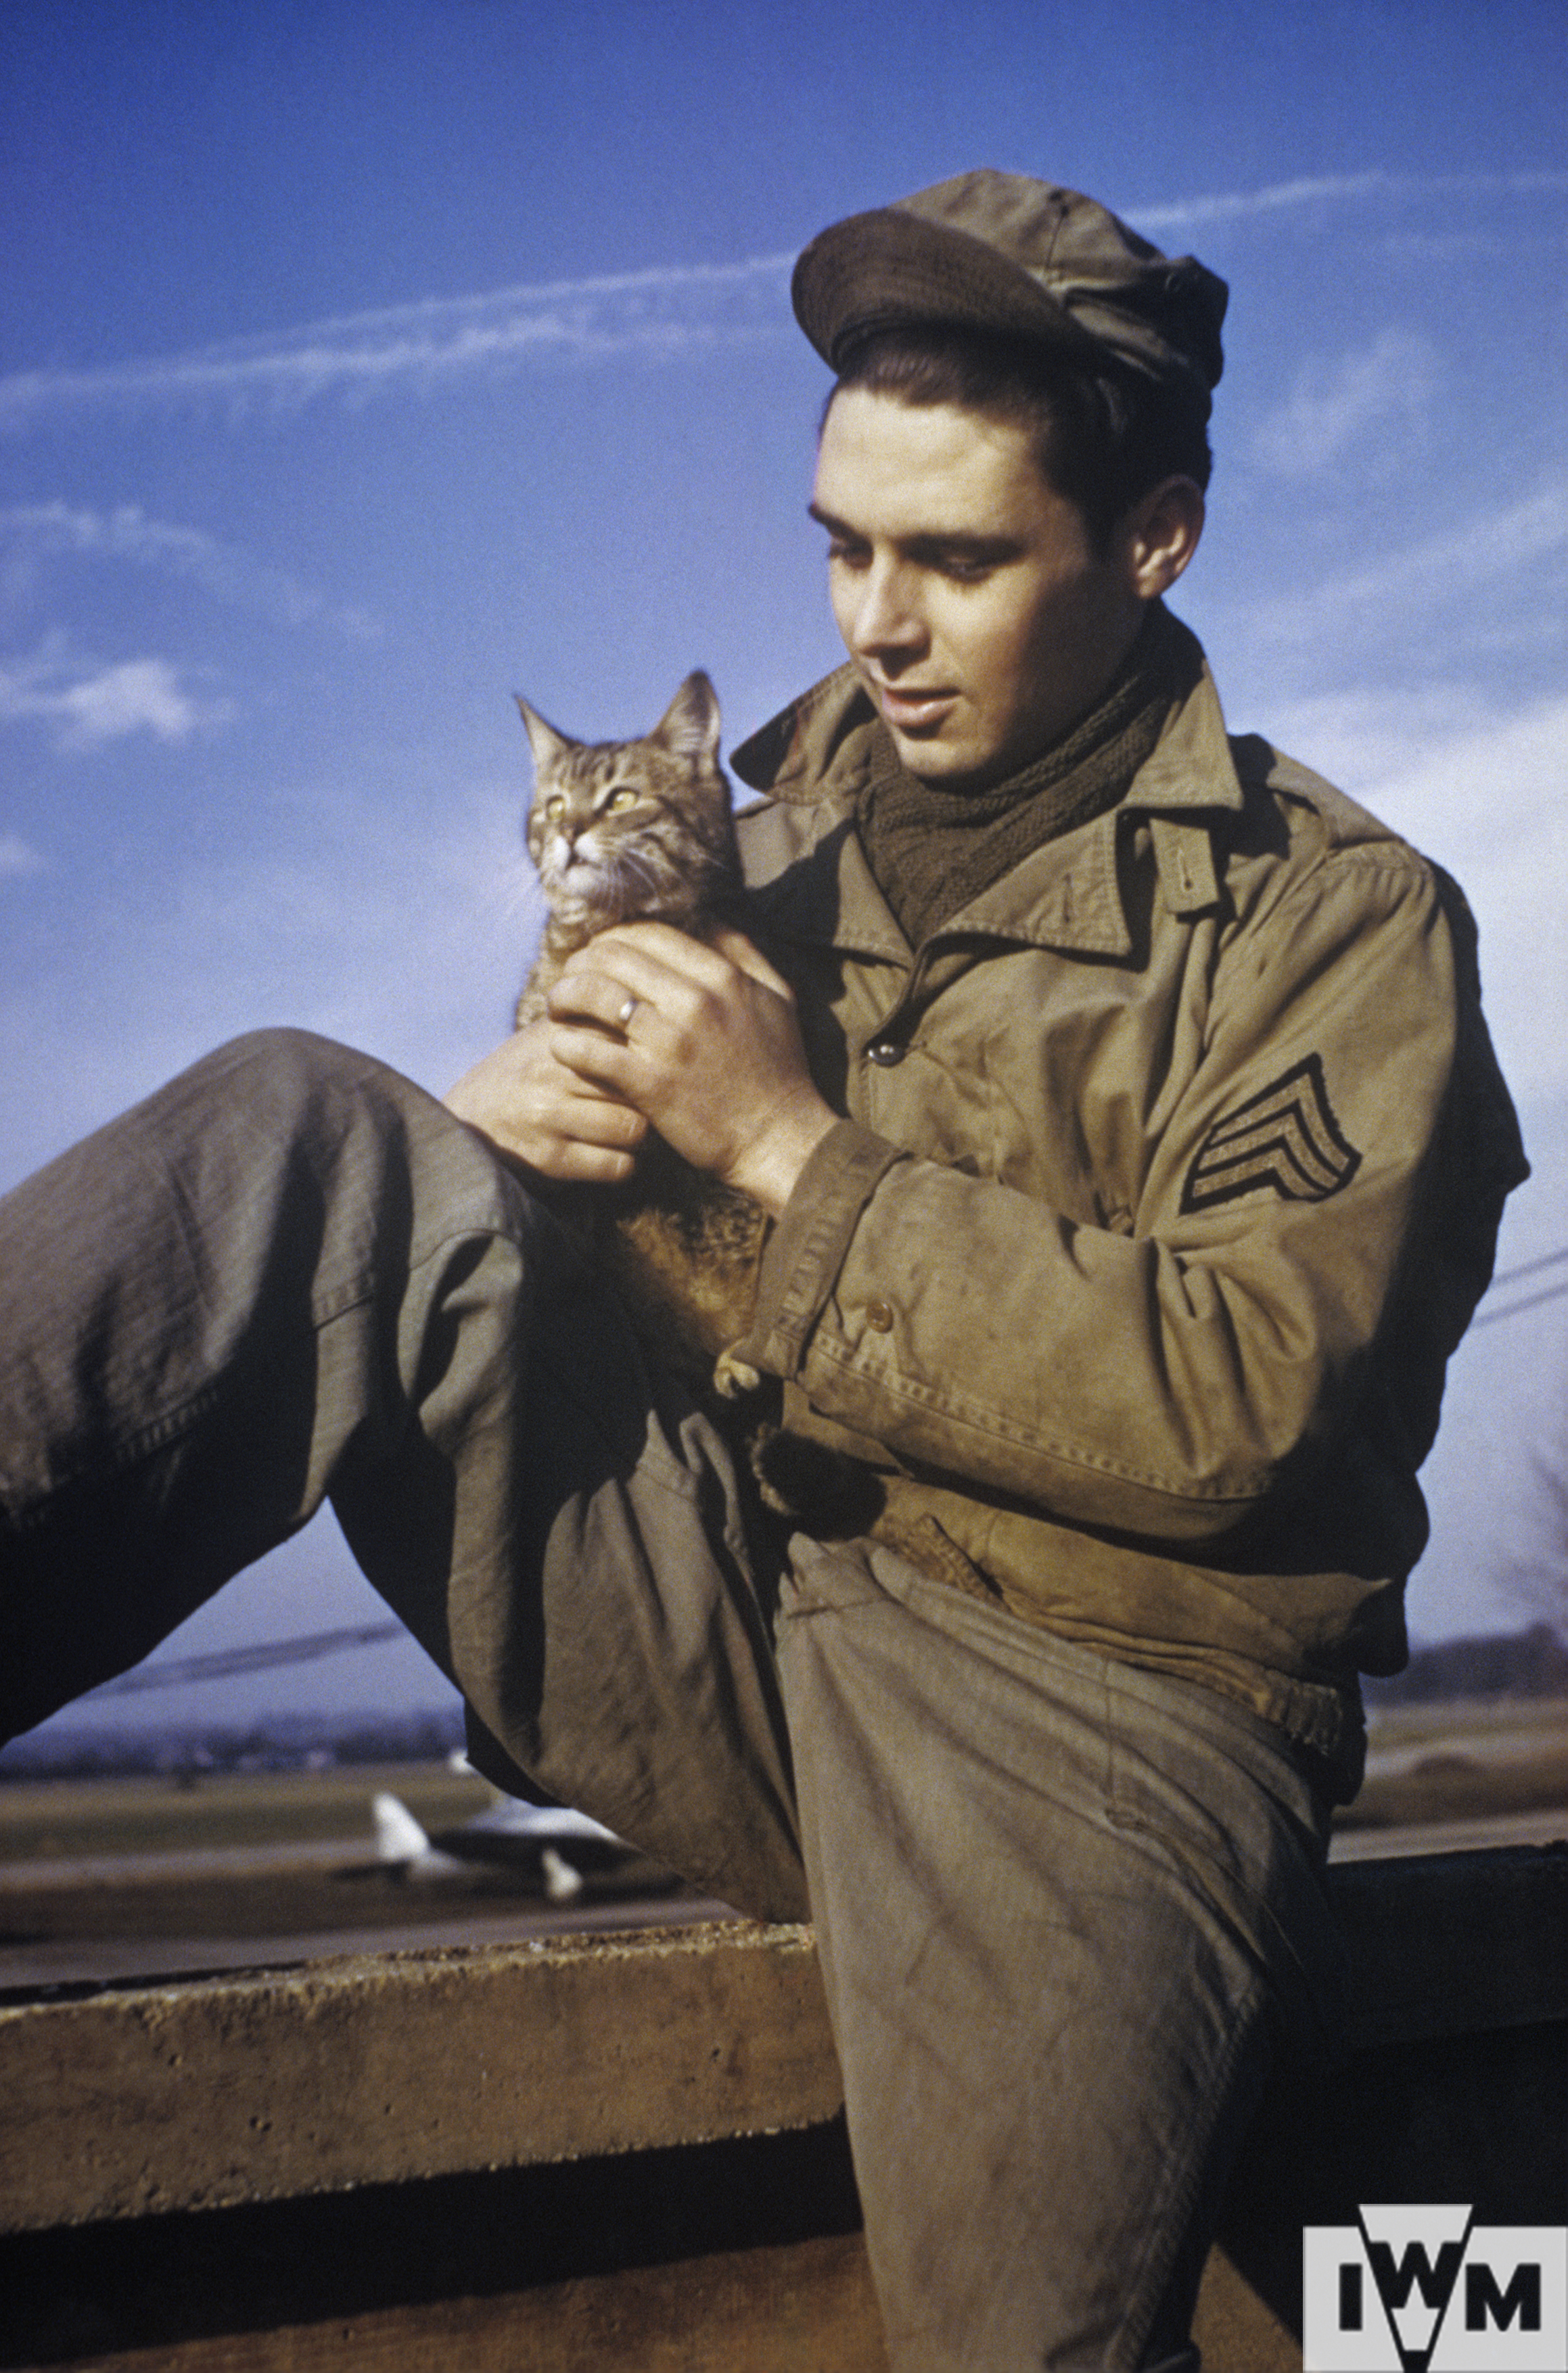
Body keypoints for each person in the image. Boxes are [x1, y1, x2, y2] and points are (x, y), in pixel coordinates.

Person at [0, 172, 1525, 2370]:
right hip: (728, 1606)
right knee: (312, 1133)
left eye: (957, 558)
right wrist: (494, 1146)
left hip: (1089, 1712)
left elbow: (1244, 1403)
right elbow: (588, 1258)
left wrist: (791, 1147)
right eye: (843, 545)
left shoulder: (1341, 925)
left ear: (1156, 537)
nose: (875, 623)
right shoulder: (746, 838)